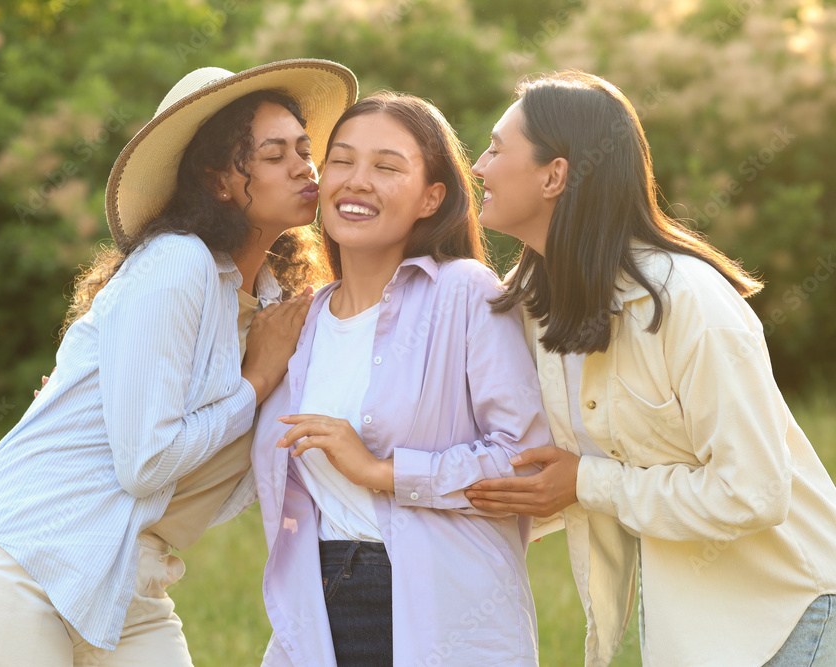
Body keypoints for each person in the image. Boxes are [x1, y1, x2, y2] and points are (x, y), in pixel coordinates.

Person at [0, 59, 357, 666]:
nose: (304, 167)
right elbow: (146, 462)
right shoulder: (179, 263)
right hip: (23, 566)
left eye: (306, 149)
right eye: (273, 153)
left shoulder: (276, 309)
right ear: (218, 180)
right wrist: (254, 383)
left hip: (129, 584)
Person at [465, 70, 836, 666]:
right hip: (695, 636)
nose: (478, 166)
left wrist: (588, 481)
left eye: (496, 148)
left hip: (795, 621)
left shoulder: (691, 302)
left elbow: (755, 493)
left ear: (555, 175)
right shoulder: (534, 305)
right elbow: (536, 461)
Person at [250, 92, 554, 667]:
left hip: (441, 611)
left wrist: (383, 473)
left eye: (387, 167)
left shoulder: (463, 292)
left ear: (431, 197)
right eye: (341, 160)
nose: (357, 180)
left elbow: (525, 460)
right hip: (315, 604)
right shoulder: (301, 320)